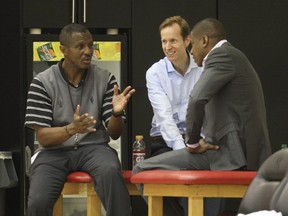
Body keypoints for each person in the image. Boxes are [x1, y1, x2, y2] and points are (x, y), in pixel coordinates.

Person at [133, 18, 271, 216]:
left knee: (142, 171)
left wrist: (193, 143)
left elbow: (197, 100)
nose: (192, 52)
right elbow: (168, 117)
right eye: (164, 41)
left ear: (203, 41)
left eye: (192, 46)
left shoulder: (220, 56)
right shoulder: (231, 56)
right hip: (222, 148)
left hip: (229, 153)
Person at [25, 23, 135, 216]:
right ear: (63, 50)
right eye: (80, 46)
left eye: (90, 45)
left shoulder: (106, 79)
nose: (88, 51)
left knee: (111, 171)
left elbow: (114, 133)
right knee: (37, 201)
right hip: (53, 153)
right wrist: (71, 129)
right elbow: (43, 138)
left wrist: (116, 113)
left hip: (94, 149)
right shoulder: (42, 83)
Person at [146, 15, 203, 157]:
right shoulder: (155, 73)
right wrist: (182, 152)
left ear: (187, 40)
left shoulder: (203, 68)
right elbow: (164, 117)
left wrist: (197, 143)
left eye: (173, 41)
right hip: (165, 141)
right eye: (164, 41)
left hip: (198, 138)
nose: (167, 47)